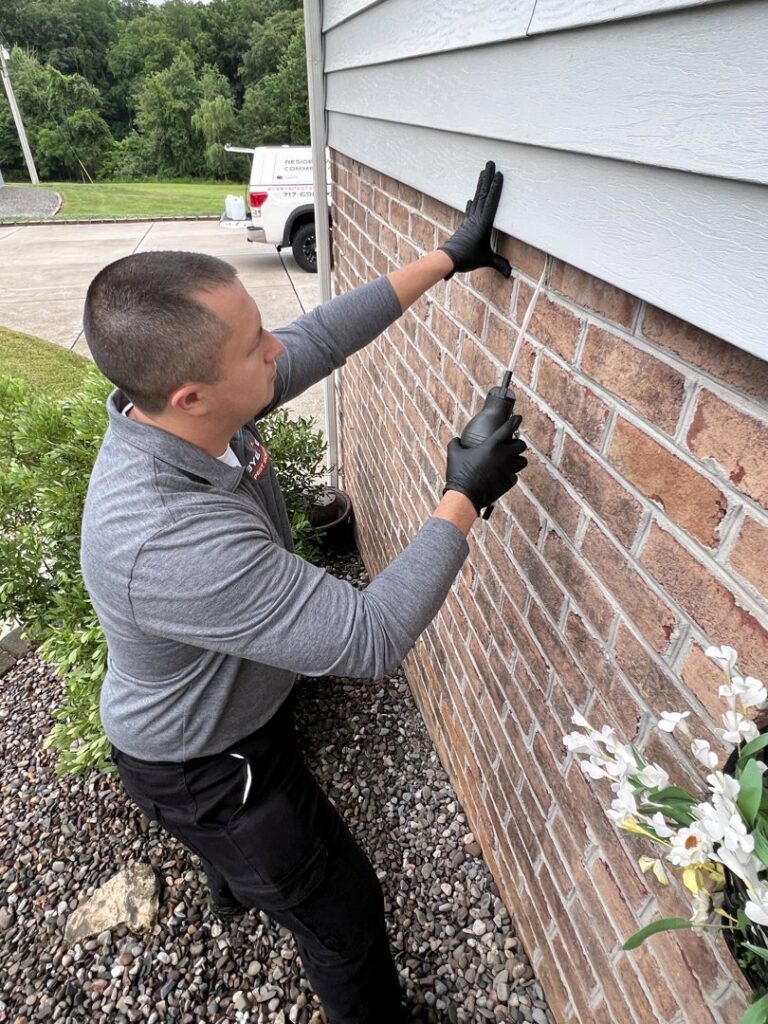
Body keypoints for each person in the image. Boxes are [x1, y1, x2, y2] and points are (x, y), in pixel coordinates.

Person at [80, 161, 527, 1024]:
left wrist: (448, 256)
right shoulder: (163, 538)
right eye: (257, 347)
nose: (275, 349)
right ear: (192, 394)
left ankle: (236, 885)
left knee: (260, 868)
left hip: (223, 706)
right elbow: (368, 639)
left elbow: (318, 337)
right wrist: (463, 494)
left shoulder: (189, 411)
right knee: (343, 913)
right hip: (207, 762)